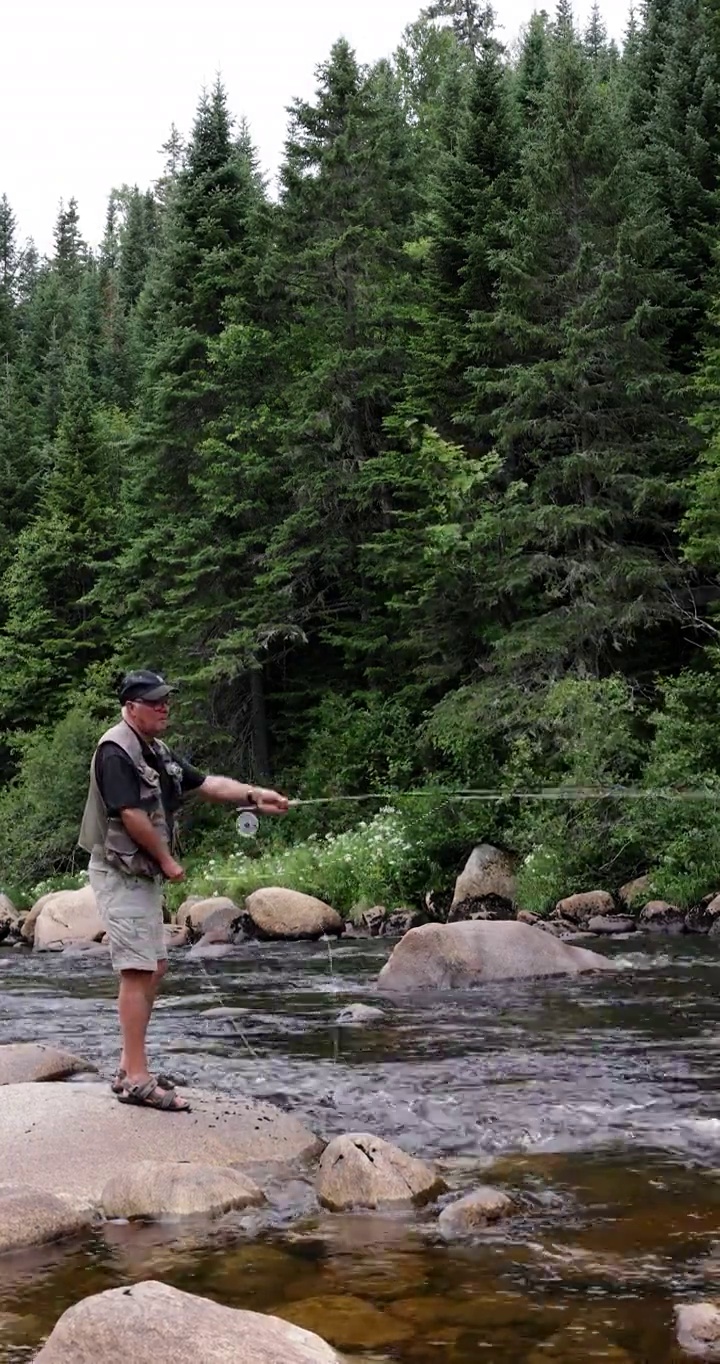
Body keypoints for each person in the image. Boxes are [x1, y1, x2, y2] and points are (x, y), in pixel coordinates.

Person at [78, 669, 288, 1113]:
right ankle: (137, 1079)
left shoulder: (157, 751)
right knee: (137, 971)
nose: (164, 707)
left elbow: (206, 784)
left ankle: (126, 1067)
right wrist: (168, 860)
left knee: (154, 966)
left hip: (139, 875)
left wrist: (255, 795)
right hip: (120, 872)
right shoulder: (115, 750)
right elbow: (131, 815)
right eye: (154, 702)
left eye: (165, 700)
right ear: (131, 706)